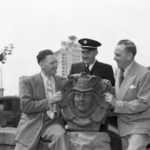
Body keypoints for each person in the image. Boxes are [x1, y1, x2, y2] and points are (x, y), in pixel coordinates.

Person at [69, 38, 122, 150]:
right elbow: (69, 91)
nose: (84, 55)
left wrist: (104, 84)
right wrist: (72, 79)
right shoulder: (75, 68)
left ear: (95, 53)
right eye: (83, 52)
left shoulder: (106, 68)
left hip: (99, 118)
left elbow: (110, 93)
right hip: (79, 117)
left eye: (87, 52)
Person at [14, 49, 66, 150]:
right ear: (42, 64)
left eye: (56, 62)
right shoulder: (27, 81)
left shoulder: (62, 81)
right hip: (31, 124)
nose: (56, 65)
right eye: (52, 63)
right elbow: (25, 106)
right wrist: (49, 100)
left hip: (53, 124)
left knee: (60, 136)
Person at [105, 39, 150, 150]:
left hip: (139, 126)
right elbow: (122, 93)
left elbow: (143, 103)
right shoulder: (119, 71)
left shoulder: (145, 74)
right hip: (121, 125)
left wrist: (116, 103)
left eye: (118, 55)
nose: (114, 58)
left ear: (129, 56)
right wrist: (108, 87)